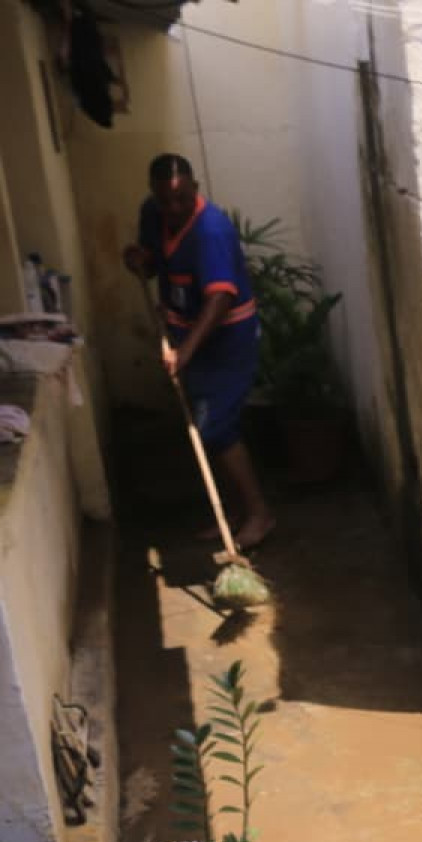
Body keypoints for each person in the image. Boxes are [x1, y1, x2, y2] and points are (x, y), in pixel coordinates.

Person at [122, 153, 273, 549]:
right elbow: (156, 261)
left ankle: (259, 513)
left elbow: (220, 299)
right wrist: (141, 261)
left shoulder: (212, 231)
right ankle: (233, 512)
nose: (173, 209)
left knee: (216, 426)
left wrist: (184, 352)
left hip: (226, 341)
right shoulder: (152, 213)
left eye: (181, 200)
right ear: (154, 196)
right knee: (205, 427)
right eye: (164, 201)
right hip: (185, 334)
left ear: (196, 190)